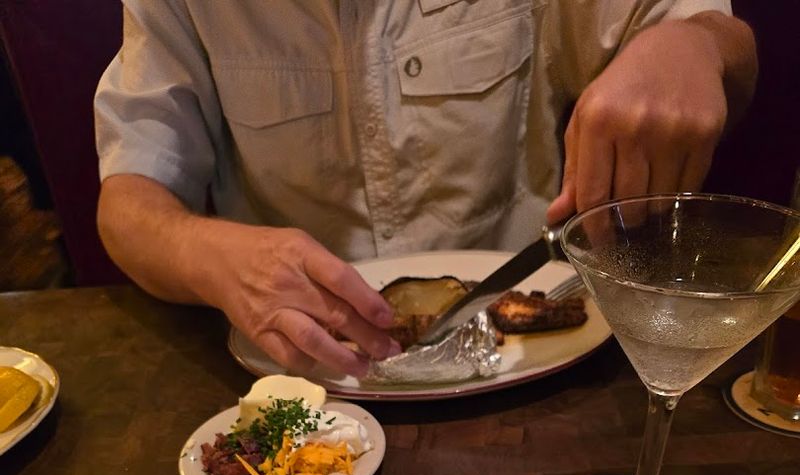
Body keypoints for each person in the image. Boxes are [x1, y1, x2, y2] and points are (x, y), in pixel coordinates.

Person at [94, 1, 757, 378]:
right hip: (304, 386)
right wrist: (212, 257)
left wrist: (692, 44)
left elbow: (720, 40)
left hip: (538, 365)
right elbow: (128, 202)